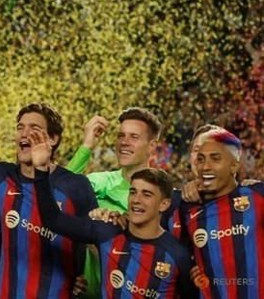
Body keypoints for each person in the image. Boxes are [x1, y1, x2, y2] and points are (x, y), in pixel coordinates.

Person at [32, 128, 196, 297]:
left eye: (146, 194)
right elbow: (53, 219)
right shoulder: (108, 233)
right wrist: (40, 170)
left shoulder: (177, 255)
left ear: (164, 204)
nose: (136, 199)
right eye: (133, 192)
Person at [0, 103, 98, 298]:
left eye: (34, 128)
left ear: (53, 139)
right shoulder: (1, 176)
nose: (25, 133)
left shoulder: (76, 186)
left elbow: (98, 245)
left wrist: (84, 280)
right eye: (20, 127)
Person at [65, 107, 162, 297]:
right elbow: (57, 192)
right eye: (120, 136)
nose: (124, 142)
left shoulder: (163, 198)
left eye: (134, 137)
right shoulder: (98, 182)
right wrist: (87, 145)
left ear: (151, 146)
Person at [175, 127, 264, 298]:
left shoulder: (258, 195)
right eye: (200, 159)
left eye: (215, 159)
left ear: (234, 165)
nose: (205, 167)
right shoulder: (188, 208)